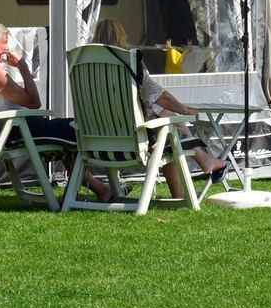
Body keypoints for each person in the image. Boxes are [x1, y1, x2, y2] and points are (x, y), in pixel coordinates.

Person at [0, 20, 111, 202]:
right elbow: (34, 102)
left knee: (67, 130)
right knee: (77, 129)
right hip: (19, 130)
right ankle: (75, 196)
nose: (6, 49)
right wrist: (23, 67)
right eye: (4, 42)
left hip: (11, 129)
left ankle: (98, 189)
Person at [94, 18, 230, 189]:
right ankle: (204, 159)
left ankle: (196, 171)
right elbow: (158, 94)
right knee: (166, 126)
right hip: (132, 140)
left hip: (95, 139)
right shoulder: (128, 62)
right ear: (121, 37)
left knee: (164, 121)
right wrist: (183, 109)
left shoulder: (85, 68)